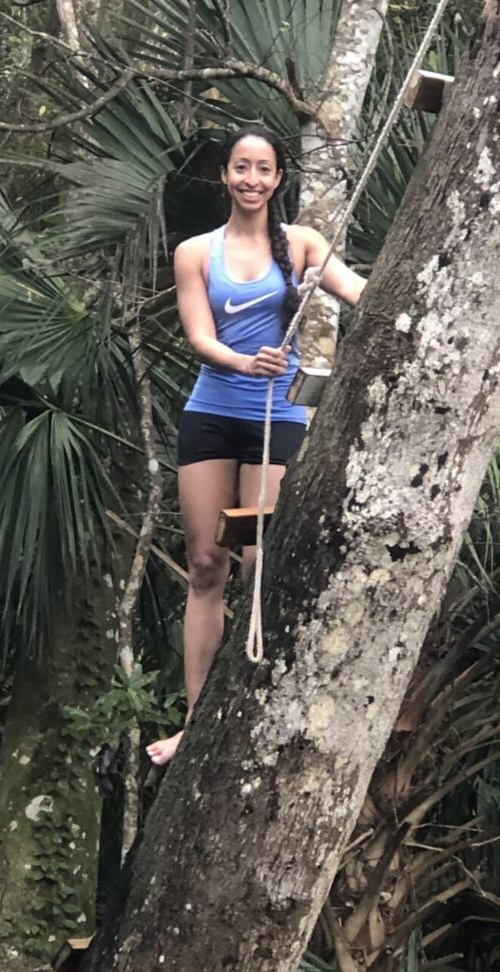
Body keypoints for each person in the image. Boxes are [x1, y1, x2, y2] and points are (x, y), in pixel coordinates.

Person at [147, 125, 365, 766]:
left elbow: (354, 291)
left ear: (277, 179)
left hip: (277, 419)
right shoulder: (196, 252)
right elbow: (200, 336)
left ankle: (249, 703)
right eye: (240, 168)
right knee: (207, 563)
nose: (251, 179)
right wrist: (243, 364)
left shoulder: (300, 245)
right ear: (225, 175)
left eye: (263, 169)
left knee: (256, 564)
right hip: (213, 411)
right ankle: (194, 720)